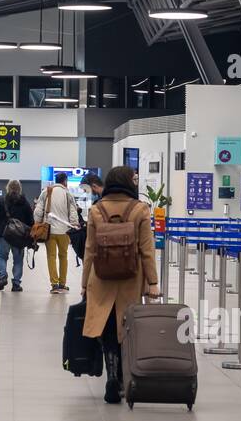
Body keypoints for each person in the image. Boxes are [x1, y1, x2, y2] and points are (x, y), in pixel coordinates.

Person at [81, 166, 159, 404]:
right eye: (134, 179)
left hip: (101, 277)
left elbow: (90, 250)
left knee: (105, 329)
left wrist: (84, 283)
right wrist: (153, 282)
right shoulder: (140, 210)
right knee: (126, 328)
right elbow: (147, 249)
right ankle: (124, 378)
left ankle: (111, 377)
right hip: (130, 277)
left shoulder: (96, 210)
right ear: (127, 182)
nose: (136, 182)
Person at [35, 172, 80, 294]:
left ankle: (54, 284)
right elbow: (73, 211)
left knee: (51, 256)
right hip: (64, 231)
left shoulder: (46, 191)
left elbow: (38, 210)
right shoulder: (67, 193)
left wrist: (37, 223)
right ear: (65, 181)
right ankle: (62, 284)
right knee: (63, 256)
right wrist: (75, 224)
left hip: (48, 230)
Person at [0, 179, 33, 292]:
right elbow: (31, 220)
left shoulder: (1, 201)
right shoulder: (24, 202)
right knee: (18, 260)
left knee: (1, 257)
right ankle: (16, 284)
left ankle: (3, 277)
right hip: (19, 237)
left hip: (4, 234)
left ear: (7, 188)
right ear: (19, 189)